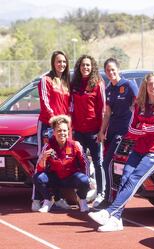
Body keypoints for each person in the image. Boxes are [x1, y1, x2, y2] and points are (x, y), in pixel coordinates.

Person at [88, 73, 154, 232]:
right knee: (125, 176)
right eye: (150, 84)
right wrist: (145, 129)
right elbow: (131, 129)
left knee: (134, 178)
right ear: (145, 87)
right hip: (139, 149)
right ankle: (117, 220)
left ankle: (110, 212)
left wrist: (143, 127)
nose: (153, 87)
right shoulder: (140, 105)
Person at [96, 58, 139, 208]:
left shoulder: (129, 85)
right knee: (113, 166)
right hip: (111, 131)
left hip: (124, 132)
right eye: (108, 70)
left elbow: (138, 104)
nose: (111, 72)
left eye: (113, 69)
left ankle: (108, 199)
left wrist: (137, 126)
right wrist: (102, 132)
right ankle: (115, 198)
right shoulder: (109, 90)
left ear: (118, 69)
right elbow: (107, 114)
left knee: (107, 163)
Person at [32, 50, 72, 212]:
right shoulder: (45, 80)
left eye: (64, 62)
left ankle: (59, 198)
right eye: (58, 61)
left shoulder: (67, 82)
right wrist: (56, 122)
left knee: (59, 163)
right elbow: (45, 103)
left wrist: (66, 124)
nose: (61, 64)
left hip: (62, 128)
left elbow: (70, 106)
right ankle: (36, 199)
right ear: (53, 63)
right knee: (43, 160)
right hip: (48, 125)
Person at [32, 115, 90, 213]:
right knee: (38, 177)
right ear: (54, 132)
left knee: (84, 180)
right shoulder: (48, 146)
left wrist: (87, 181)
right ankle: (49, 199)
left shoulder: (75, 145)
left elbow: (86, 163)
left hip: (71, 177)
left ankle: (82, 200)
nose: (62, 133)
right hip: (55, 178)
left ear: (68, 132)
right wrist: (44, 158)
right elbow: (39, 169)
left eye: (64, 130)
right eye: (59, 131)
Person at [71, 55, 106, 207]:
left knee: (98, 163)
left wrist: (101, 131)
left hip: (94, 132)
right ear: (79, 67)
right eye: (83, 65)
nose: (85, 67)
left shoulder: (98, 83)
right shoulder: (75, 84)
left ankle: (101, 193)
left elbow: (103, 109)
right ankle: (82, 196)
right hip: (78, 132)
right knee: (80, 163)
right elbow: (71, 107)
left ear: (92, 67)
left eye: (88, 65)